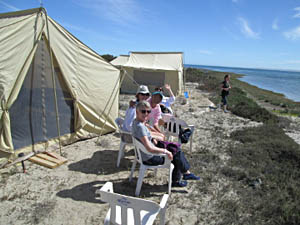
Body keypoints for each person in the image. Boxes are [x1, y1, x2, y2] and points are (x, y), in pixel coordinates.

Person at [132, 101, 200, 187]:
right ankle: (181, 176)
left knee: (174, 148)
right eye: (143, 111)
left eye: (148, 111)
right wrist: (165, 151)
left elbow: (144, 137)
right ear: (137, 112)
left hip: (142, 154)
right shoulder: (140, 127)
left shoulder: (136, 122)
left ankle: (184, 174)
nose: (146, 114)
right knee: (176, 153)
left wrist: (152, 138)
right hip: (149, 158)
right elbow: (149, 148)